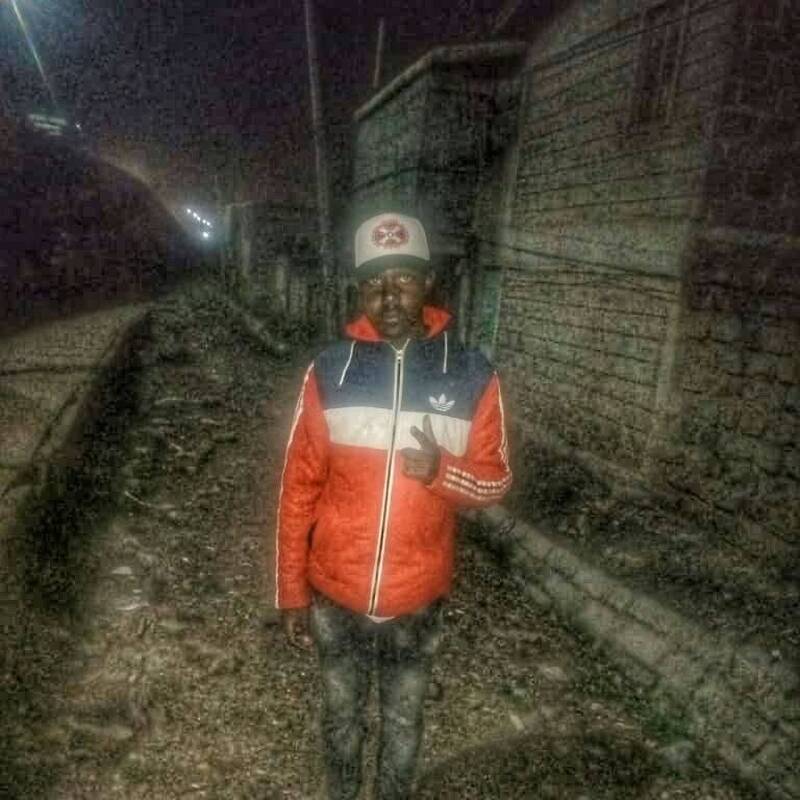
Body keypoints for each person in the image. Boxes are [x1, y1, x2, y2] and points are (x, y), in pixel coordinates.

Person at [274, 210, 512, 800]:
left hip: (416, 597)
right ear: (358, 291)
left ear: (428, 282)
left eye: (402, 278)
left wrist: (443, 472)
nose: (388, 297)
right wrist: (291, 590)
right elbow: (297, 487)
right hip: (336, 592)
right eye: (373, 283)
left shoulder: (472, 375)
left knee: (404, 724)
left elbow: (496, 482)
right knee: (340, 720)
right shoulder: (330, 371)